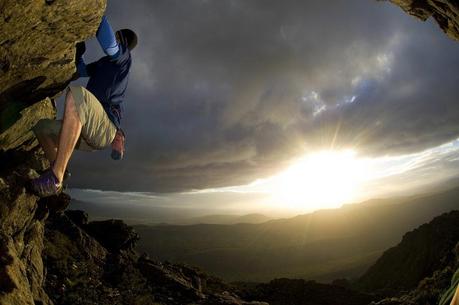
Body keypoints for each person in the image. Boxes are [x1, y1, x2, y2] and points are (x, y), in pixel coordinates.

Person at [30, 16, 137, 197]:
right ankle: (58, 166)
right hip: (86, 132)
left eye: (119, 37)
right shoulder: (104, 64)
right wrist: (78, 52)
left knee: (76, 95)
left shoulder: (124, 59)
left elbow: (109, 43)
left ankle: (56, 177)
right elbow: (79, 71)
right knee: (42, 127)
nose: (116, 39)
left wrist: (96, 15)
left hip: (104, 129)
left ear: (124, 42)